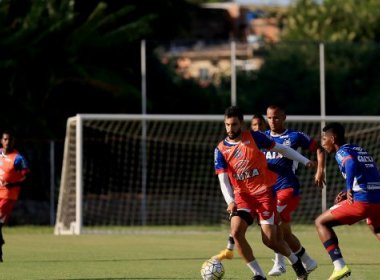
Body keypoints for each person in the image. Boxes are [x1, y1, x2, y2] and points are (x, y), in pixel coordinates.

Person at [214, 106, 314, 280]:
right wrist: (230, 201)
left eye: (234, 124)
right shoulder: (221, 149)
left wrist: (305, 161)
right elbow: (223, 180)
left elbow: (282, 149)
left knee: (270, 240)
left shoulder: (255, 137)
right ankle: (258, 274)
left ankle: (296, 262)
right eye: (227, 125)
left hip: (264, 194)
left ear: (241, 124)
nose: (230, 129)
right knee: (236, 232)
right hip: (242, 197)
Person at [263, 105, 324, 276]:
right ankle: (308, 261)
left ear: (284, 117)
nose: (272, 121)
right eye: (269, 118)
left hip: (288, 188)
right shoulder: (263, 138)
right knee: (286, 233)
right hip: (269, 192)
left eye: (276, 117)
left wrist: (320, 169)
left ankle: (280, 263)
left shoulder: (295, 136)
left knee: (272, 222)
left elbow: (319, 148)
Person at [315, 122, 380, 280]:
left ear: (333, 138)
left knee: (321, 222)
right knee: (376, 228)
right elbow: (370, 172)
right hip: (378, 200)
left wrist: (349, 188)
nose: (323, 143)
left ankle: (339, 266)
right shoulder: (359, 149)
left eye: (324, 139)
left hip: (362, 202)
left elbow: (349, 163)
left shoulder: (341, 152)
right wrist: (347, 191)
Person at [213, 113, 267, 261]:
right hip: (244, 194)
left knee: (271, 237)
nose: (258, 128)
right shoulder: (226, 147)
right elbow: (223, 179)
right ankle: (230, 250)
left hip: (267, 190)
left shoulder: (263, 140)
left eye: (260, 125)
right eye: (255, 125)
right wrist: (231, 200)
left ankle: (288, 260)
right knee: (237, 226)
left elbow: (281, 152)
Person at [0, 131, 30, 262]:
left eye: (10, 140)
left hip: (8, 195)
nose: (8, 142)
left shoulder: (18, 158)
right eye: (5, 139)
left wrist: (12, 184)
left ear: (13, 142)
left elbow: (26, 176)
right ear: (1, 141)